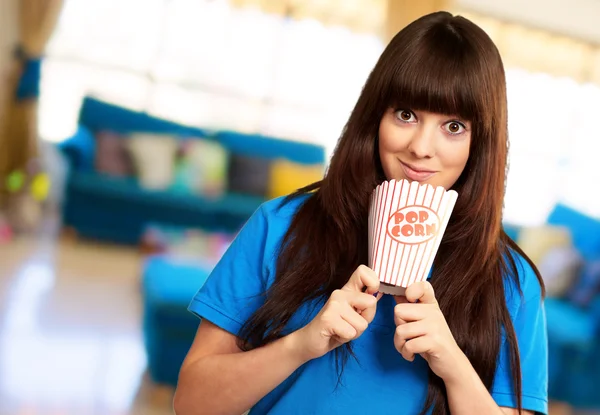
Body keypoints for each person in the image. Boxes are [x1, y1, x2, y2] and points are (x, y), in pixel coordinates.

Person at [173, 11, 548, 415]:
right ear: (376, 116)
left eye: (454, 126)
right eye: (406, 115)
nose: (422, 147)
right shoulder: (280, 226)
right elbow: (193, 403)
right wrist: (302, 343)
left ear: (482, 143)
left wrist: (452, 363)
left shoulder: (510, 280)